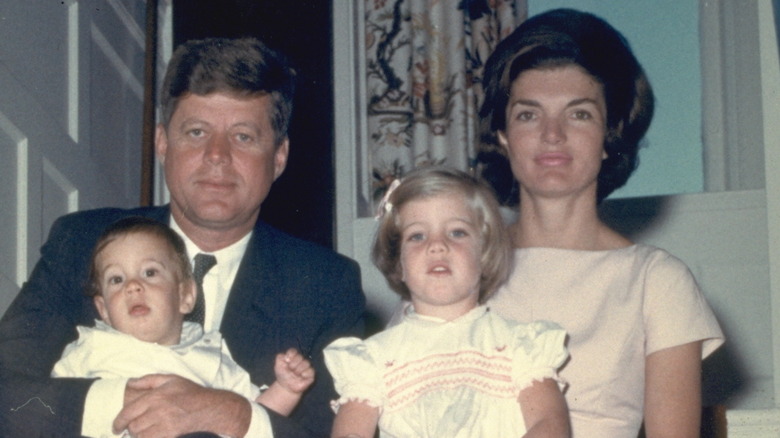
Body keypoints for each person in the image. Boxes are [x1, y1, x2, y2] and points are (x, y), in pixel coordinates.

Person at [0, 37, 365, 438]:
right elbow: (7, 390)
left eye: (243, 136)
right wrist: (120, 401)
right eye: (195, 132)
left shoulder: (325, 286)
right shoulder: (82, 243)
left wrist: (236, 415)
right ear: (162, 143)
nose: (217, 155)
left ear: (279, 157)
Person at [477, 8, 724, 437]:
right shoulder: (461, 265)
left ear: (610, 135)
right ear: (502, 135)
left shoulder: (656, 281)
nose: (552, 134)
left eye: (579, 114)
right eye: (528, 114)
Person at [324, 167, 570, 438]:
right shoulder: (375, 359)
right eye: (417, 236)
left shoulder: (519, 346)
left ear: (484, 254)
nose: (437, 245)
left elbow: (549, 426)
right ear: (399, 264)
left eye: (456, 232)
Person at [51, 216, 315, 437]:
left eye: (150, 272)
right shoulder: (91, 347)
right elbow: (54, 409)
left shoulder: (212, 355)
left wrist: (286, 389)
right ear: (104, 310)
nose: (132, 286)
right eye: (116, 279)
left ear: (186, 296)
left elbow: (253, 415)